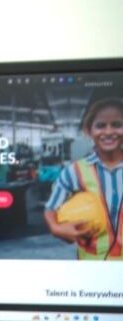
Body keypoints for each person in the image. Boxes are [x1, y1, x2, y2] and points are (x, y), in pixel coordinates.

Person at [44, 97, 123, 260]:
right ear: (89, 130)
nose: (108, 132)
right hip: (91, 268)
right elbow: (51, 207)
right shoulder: (74, 171)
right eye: (101, 125)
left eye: (117, 125)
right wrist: (55, 228)